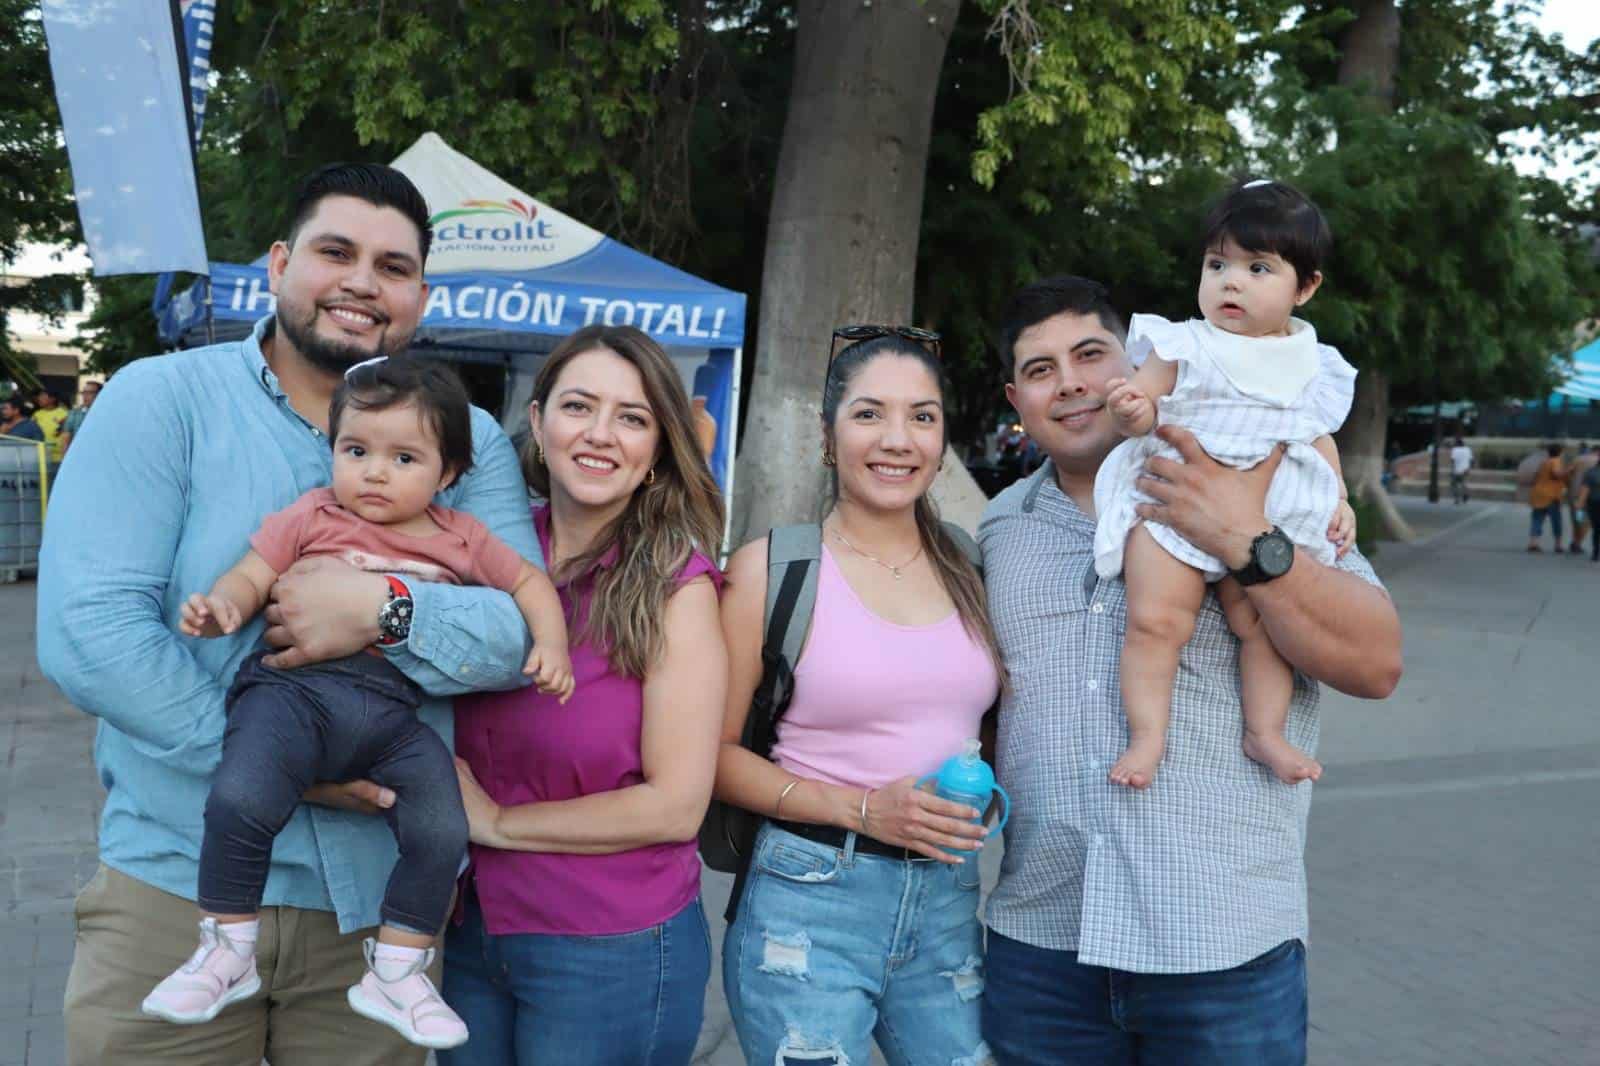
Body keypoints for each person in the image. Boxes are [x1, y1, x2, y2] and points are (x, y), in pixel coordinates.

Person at [37, 162, 541, 1066]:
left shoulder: (472, 440)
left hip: (376, 921)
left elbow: (514, 636)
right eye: (334, 252)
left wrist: (385, 610)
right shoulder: (162, 401)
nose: (361, 282)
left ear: (420, 296)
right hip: (173, 891)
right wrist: (280, 766)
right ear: (277, 264)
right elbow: (92, 636)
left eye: (393, 266)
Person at [978, 275, 1402, 1065]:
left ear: (1139, 361)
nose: (1069, 383)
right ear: (1017, 398)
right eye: (1040, 370)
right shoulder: (999, 530)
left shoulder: (1262, 477)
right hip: (1041, 949)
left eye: (1090, 354)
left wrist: (1248, 540)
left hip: (1222, 950)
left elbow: (1378, 663)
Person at [140, 356, 572, 1050]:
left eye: (404, 457)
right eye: (356, 451)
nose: (374, 472)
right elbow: (253, 574)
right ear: (333, 451)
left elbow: (526, 583)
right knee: (241, 798)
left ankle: (398, 966)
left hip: (389, 717)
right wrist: (224, 607)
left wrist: (551, 644)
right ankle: (226, 945)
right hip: (290, 693)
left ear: (449, 474)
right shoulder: (314, 513)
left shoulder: (461, 538)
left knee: (441, 826)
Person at [716, 326, 1003, 1066]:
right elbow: (708, 758)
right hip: (808, 901)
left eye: (923, 416)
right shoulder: (774, 568)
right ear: (827, 434)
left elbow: (980, 727)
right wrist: (867, 808)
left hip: (946, 900)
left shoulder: (972, 566)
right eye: (869, 413)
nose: (897, 439)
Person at [441, 324, 727, 1066]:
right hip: (468, 930)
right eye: (578, 407)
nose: (601, 435)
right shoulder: (480, 557)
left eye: (632, 418)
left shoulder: (675, 585)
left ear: (659, 446)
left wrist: (500, 822)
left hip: (608, 947)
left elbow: (676, 804)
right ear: (537, 422)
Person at [1092, 179, 1357, 788]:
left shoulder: (1312, 363)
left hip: (1264, 520)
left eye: (1257, 267)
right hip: (1172, 507)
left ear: (1307, 286)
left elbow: (1318, 437)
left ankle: (1264, 733)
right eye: (1217, 265)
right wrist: (1133, 411)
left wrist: (1339, 498)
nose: (1230, 282)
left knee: (1263, 628)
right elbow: (1147, 405)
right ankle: (1147, 736)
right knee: (1155, 623)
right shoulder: (1185, 343)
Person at [1527, 443, 1567, 553]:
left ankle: (1533, 543)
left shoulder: (1544, 462)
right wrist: (1569, 471)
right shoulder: (1556, 461)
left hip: (1538, 494)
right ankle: (1558, 545)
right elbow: (1556, 474)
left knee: (1537, 519)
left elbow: (1534, 477)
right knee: (1556, 521)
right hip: (1551, 495)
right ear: (1560, 452)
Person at [1564, 442, 1597, 553]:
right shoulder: (1597, 461)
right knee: (1587, 522)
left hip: (1576, 494)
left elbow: (1566, 473)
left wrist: (1570, 483)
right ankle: (1577, 543)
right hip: (1592, 496)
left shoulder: (1578, 459)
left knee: (1578, 519)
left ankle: (1575, 541)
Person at [58, 379, 101, 457]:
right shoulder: (75, 413)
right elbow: (66, 437)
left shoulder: (105, 412)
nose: (85, 396)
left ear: (99, 394)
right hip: (78, 454)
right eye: (84, 393)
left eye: (90, 393)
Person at [32, 387, 69, 460]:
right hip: (40, 456)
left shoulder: (64, 414)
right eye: (39, 396)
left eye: (42, 396)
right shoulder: (36, 414)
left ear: (52, 399)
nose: (39, 399)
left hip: (58, 457)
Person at [1577, 453, 1600, 561]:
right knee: (1597, 528)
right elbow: (1585, 489)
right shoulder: (1591, 472)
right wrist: (1580, 504)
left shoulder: (1591, 472)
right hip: (1594, 504)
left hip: (1594, 503)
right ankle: (1596, 551)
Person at [1449, 436, 1474, 505]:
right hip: (1465, 469)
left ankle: (1457, 499)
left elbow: (1453, 461)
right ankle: (1465, 494)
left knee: (1454, 484)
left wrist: (1451, 470)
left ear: (1457, 443)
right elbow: (1471, 460)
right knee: (1464, 483)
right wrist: (1469, 468)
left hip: (1457, 470)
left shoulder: (1455, 450)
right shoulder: (1468, 449)